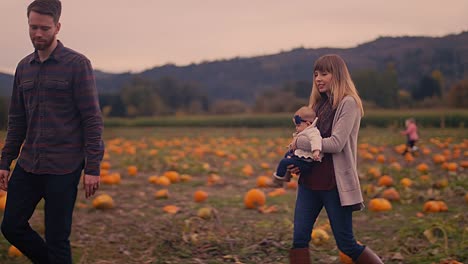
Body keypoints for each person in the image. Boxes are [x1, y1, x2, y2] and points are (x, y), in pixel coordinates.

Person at [0, 0, 104, 263]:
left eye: (44, 28)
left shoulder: (77, 64)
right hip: (29, 162)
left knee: (58, 238)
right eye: (33, 27)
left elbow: (91, 118)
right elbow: (16, 120)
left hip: (64, 166)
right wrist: (5, 161)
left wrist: (92, 167)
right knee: (11, 226)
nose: (38, 34)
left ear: (57, 27)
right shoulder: (23, 68)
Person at [287, 54, 383, 264]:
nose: (318, 78)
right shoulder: (317, 105)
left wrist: (298, 143)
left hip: (334, 185)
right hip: (309, 182)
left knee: (346, 244)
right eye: (315, 74)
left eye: (324, 73)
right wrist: (297, 159)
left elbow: (336, 143)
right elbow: (307, 139)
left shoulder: (349, 104)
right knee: (299, 240)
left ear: (337, 75)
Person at [273, 106, 322, 183]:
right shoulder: (305, 130)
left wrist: (316, 151)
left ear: (308, 124)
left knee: (284, 162)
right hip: (301, 157)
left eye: (298, 125)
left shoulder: (313, 132)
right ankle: (287, 174)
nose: (296, 128)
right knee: (287, 155)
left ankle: (278, 180)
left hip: (306, 162)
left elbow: (316, 141)